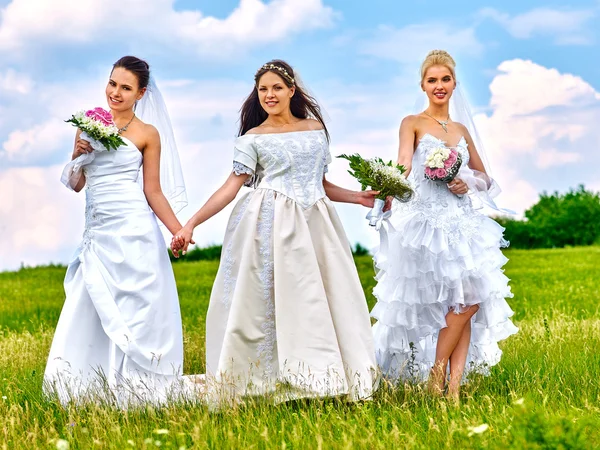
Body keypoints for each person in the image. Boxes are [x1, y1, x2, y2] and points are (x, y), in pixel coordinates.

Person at [172, 60, 378, 404]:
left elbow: (322, 183)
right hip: (272, 223)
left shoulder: (315, 129)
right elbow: (231, 186)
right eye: (263, 89)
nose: (269, 94)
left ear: (291, 91)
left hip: (316, 223)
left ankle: (326, 378)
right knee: (276, 300)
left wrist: (357, 197)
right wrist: (191, 222)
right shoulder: (252, 138)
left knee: (324, 297)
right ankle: (273, 381)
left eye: (277, 88)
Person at [371, 50, 518, 401]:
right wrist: (386, 185)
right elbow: (404, 163)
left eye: (445, 79)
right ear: (422, 85)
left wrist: (466, 180)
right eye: (432, 80)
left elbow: (484, 177)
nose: (439, 86)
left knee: (469, 301)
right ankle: (438, 379)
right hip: (428, 224)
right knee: (457, 304)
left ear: (454, 83)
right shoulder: (412, 122)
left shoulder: (462, 129)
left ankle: (451, 389)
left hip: (463, 223)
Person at [44, 56, 188, 406]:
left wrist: (177, 230)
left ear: (140, 93)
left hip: (134, 225)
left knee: (136, 304)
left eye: (126, 87)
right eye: (112, 83)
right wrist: (78, 155)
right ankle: (85, 383)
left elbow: (152, 190)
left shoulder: (147, 134)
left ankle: (138, 381)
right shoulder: (87, 125)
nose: (116, 92)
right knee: (91, 300)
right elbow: (77, 185)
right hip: (99, 230)